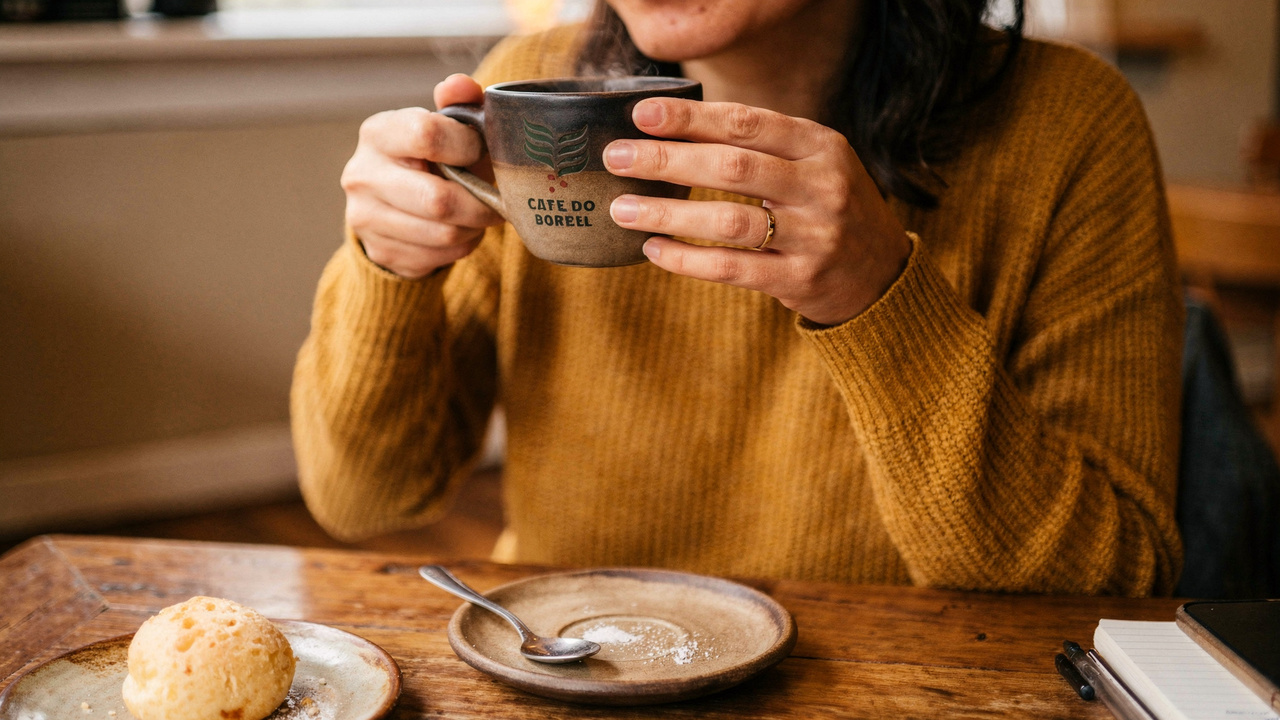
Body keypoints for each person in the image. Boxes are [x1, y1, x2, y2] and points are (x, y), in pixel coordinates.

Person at [291, 0, 1184, 595]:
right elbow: (364, 501)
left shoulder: (1069, 124)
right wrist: (388, 266)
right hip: (561, 659)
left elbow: (1111, 590)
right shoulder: (530, 89)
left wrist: (881, 297)